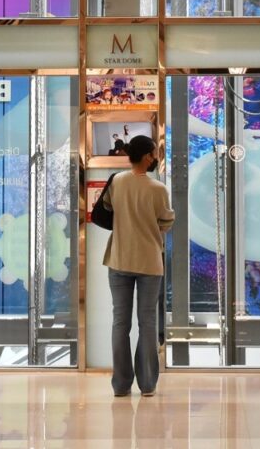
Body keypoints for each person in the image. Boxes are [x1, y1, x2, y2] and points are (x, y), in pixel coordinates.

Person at [102, 135, 175, 397]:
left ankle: (121, 385)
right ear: (146, 157)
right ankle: (147, 384)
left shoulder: (117, 181)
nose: (155, 158)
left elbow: (107, 206)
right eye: (154, 154)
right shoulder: (158, 189)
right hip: (149, 262)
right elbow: (167, 221)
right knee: (147, 321)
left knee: (120, 322)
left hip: (119, 258)